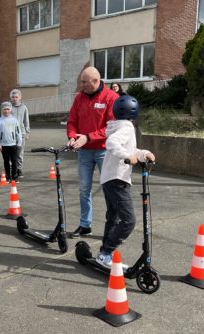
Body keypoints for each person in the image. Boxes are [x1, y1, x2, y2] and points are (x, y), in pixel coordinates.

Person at [96, 96, 155, 267]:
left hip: (109, 178)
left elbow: (130, 149)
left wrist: (143, 153)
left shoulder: (118, 125)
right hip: (117, 179)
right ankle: (106, 253)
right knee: (129, 221)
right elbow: (112, 143)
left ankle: (104, 253)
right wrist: (127, 156)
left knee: (113, 217)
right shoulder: (127, 127)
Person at [66, 66, 119, 239]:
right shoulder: (79, 98)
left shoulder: (111, 97)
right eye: (81, 81)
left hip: (104, 151)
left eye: (84, 82)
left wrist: (88, 137)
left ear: (95, 81)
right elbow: (72, 121)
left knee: (110, 189)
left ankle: (114, 227)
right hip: (84, 153)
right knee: (84, 189)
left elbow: (112, 127)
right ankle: (85, 225)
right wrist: (73, 137)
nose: (81, 85)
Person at [0, 101, 22, 183]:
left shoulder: (14, 120)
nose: (6, 111)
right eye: (4, 109)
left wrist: (19, 143)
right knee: (6, 161)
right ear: (2, 110)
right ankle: (8, 177)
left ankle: (15, 177)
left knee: (14, 161)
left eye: (8, 109)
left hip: (13, 144)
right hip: (4, 145)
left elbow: (18, 132)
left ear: (10, 110)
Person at [9, 89, 30, 179]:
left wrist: (27, 132)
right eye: (13, 97)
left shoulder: (24, 107)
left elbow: (26, 121)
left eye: (16, 97)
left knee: (20, 152)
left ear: (20, 97)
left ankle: (19, 169)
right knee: (10, 152)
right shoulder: (8, 107)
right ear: (10, 98)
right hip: (10, 133)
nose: (15, 99)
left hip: (21, 133)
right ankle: (11, 168)